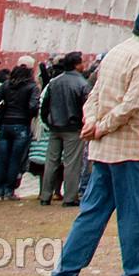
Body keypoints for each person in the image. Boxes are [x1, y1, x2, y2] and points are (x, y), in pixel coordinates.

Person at [46, 7, 139, 276]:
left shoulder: (116, 52)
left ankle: (64, 275)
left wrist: (91, 122)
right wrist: (100, 126)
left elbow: (95, 94)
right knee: (136, 215)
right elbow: (133, 104)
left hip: (105, 150)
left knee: (92, 213)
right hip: (132, 147)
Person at [40, 52, 90, 206]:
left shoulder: (54, 82)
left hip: (55, 125)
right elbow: (86, 106)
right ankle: (70, 197)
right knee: (72, 164)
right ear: (77, 65)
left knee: (51, 162)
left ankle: (45, 195)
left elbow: (45, 106)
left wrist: (48, 121)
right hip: (73, 127)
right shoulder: (82, 83)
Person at [0, 60, 38, 199]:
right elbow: (33, 106)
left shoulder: (6, 85)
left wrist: (3, 110)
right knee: (15, 159)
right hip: (21, 123)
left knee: (2, 157)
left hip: (5, 123)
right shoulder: (31, 86)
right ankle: (9, 189)